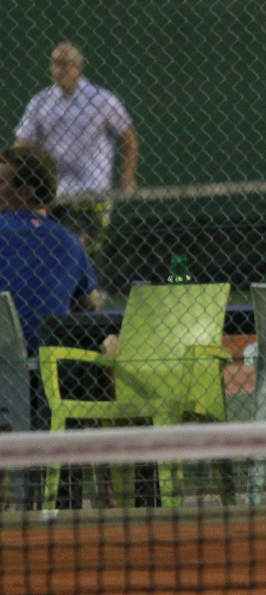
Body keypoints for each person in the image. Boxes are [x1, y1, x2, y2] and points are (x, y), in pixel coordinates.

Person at [0, 145, 101, 509]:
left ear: (25, 191)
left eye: (1, 182)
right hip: (52, 373)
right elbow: (92, 304)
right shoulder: (69, 242)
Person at [13, 42, 139, 255]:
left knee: (77, 245)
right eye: (54, 63)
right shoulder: (40, 102)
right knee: (53, 250)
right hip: (54, 193)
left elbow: (128, 138)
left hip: (92, 192)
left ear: (79, 66)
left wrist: (128, 174)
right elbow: (22, 143)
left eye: (65, 64)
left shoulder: (102, 99)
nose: (59, 69)